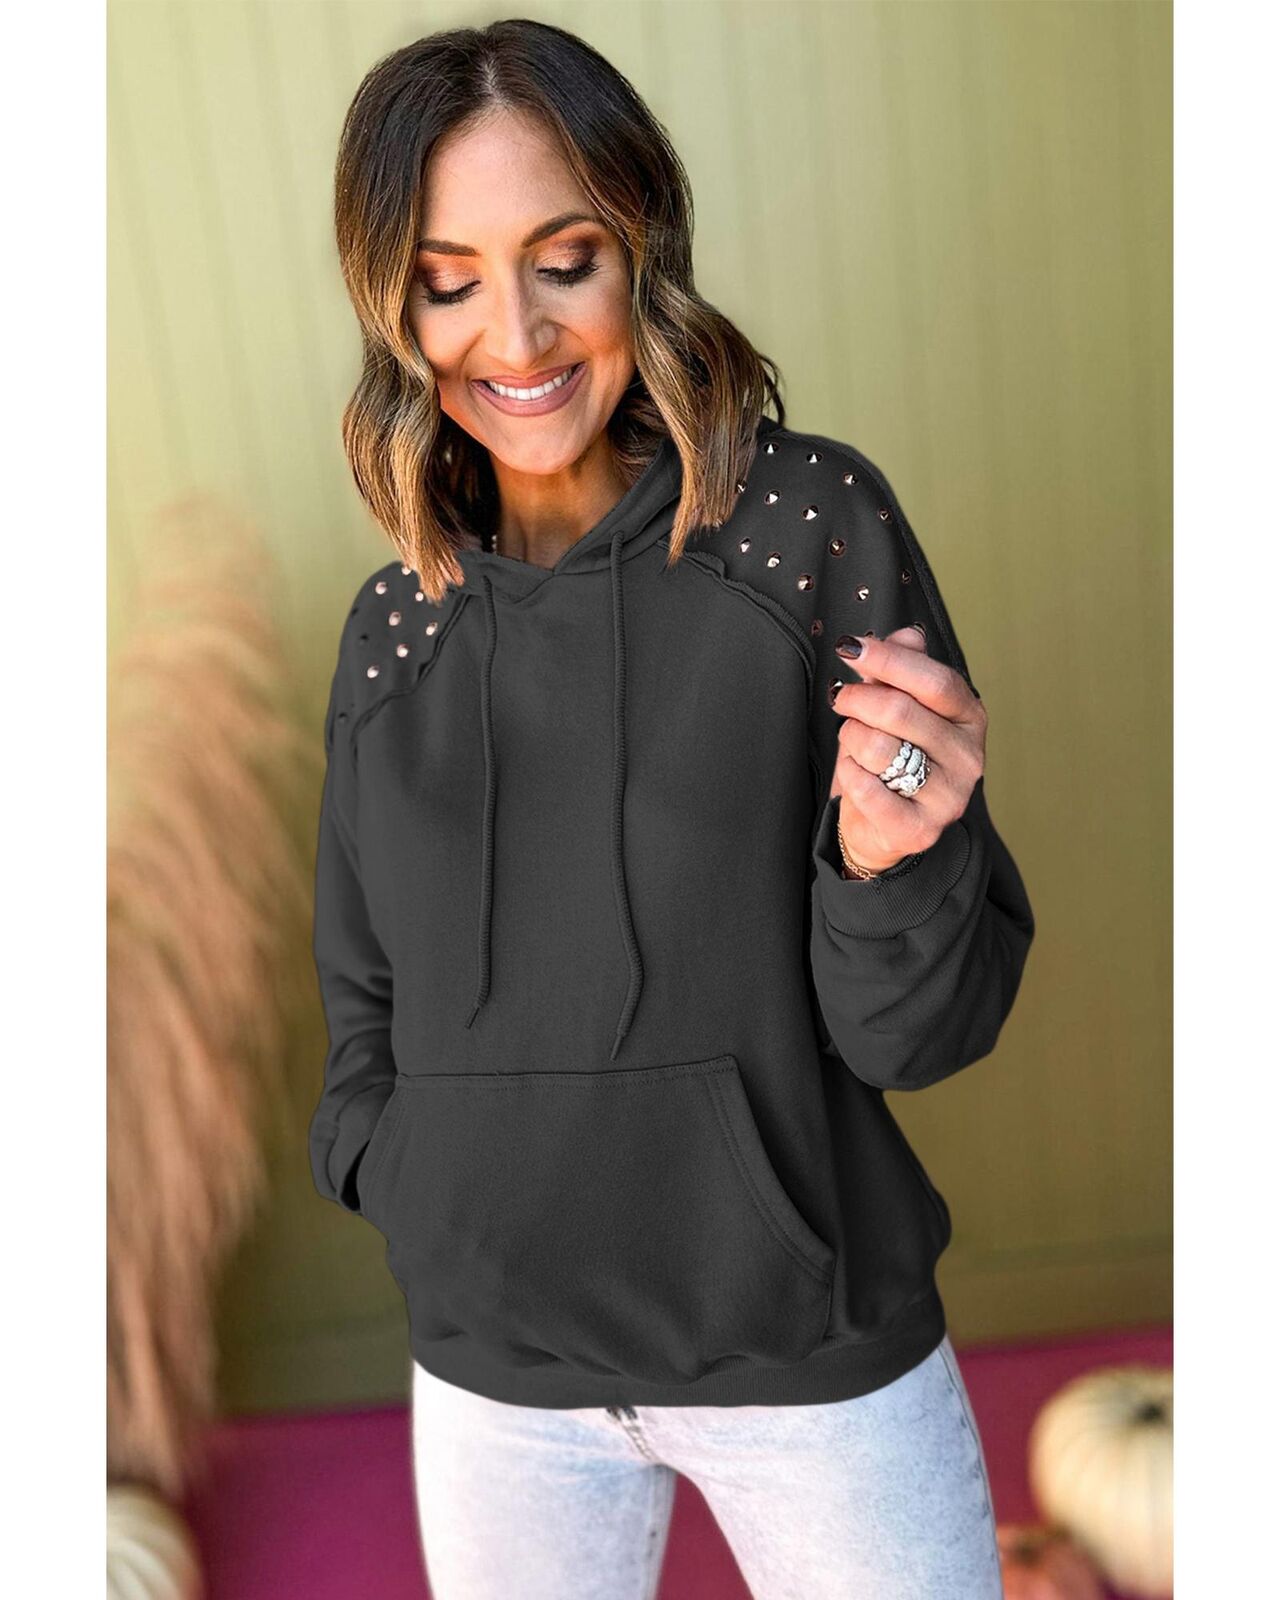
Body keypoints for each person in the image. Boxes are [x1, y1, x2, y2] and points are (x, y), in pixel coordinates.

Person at [308, 19, 1035, 1600]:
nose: (515, 334)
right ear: (394, 306)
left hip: (810, 1363)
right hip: (493, 1381)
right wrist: (411, 1181)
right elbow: (362, 1005)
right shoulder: (396, 626)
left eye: (564, 260)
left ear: (642, 248)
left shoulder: (805, 529)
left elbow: (922, 1034)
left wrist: (893, 853)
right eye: (448, 280)